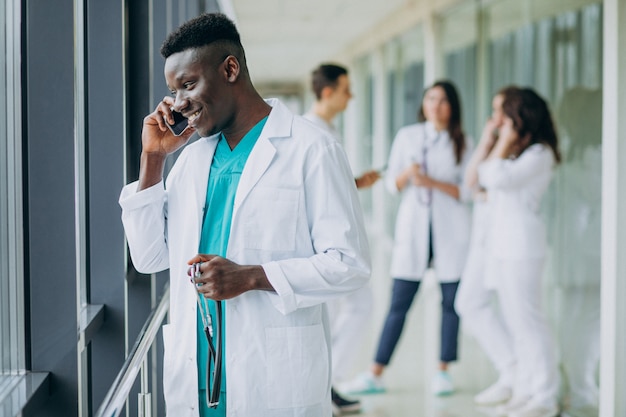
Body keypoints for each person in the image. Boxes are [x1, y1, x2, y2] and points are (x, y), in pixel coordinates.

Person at [118, 13, 371, 417]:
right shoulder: (192, 160)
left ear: (230, 69)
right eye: (173, 91)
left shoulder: (311, 148)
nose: (179, 103)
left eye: (188, 85)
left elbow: (349, 264)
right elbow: (148, 258)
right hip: (197, 380)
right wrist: (152, 159)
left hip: (272, 380)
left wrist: (252, 276)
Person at [342, 80, 472, 397]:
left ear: (452, 107)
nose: (435, 106)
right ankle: (376, 373)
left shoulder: (463, 142)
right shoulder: (408, 136)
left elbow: (466, 192)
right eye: (431, 99)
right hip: (415, 231)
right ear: (424, 104)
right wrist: (407, 175)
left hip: (450, 231)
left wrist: (430, 181)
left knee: (450, 304)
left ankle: (443, 370)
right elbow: (392, 185)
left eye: (442, 101)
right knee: (399, 303)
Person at [477, 88, 561, 417]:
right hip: (505, 246)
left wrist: (501, 142)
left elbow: (494, 177)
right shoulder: (520, 153)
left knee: (531, 322)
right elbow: (485, 177)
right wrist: (504, 144)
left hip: (524, 246)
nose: (503, 124)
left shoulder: (540, 154)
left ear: (521, 118)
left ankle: (545, 395)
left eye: (509, 117)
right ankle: (527, 389)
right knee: (516, 323)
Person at [303, 63, 380, 415]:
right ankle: (325, 383)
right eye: (347, 89)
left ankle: (327, 383)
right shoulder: (311, 130)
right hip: (322, 244)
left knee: (348, 310)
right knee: (348, 308)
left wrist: (357, 183)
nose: (352, 97)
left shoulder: (325, 129)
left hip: (331, 241)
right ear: (329, 92)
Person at [454, 86, 519, 406]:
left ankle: (515, 375)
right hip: (485, 237)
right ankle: (512, 370)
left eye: (498, 112)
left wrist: (501, 140)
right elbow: (471, 181)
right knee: (470, 303)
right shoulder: (496, 141)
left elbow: (489, 182)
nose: (492, 118)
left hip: (504, 237)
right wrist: (486, 138)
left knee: (509, 310)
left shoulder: (520, 145)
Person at [552, 87, 602, 417]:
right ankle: (579, 390)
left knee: (577, 319)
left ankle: (572, 388)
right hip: (590, 251)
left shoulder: (577, 152)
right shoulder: (592, 152)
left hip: (580, 249)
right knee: (587, 322)